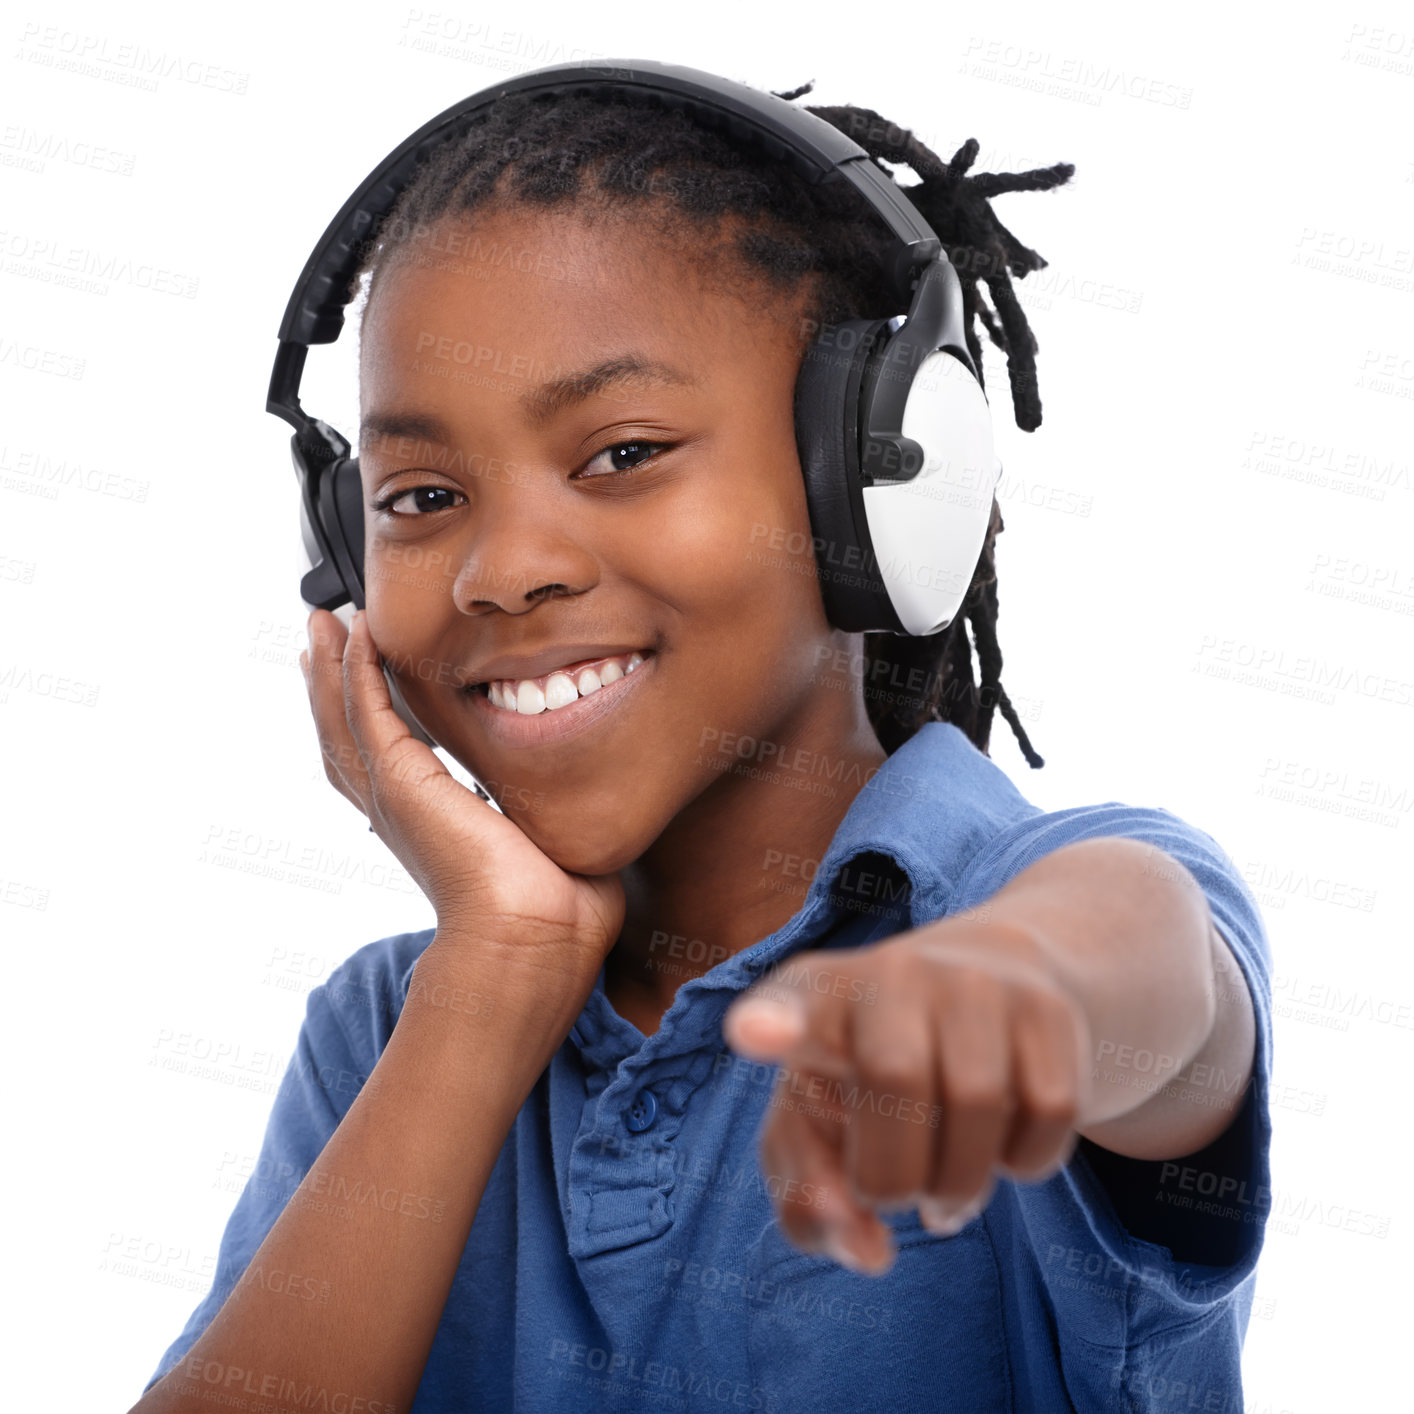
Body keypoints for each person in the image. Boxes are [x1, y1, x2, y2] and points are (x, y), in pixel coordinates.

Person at [133, 73, 1272, 1414]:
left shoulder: (1048, 894)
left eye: (621, 452)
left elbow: (1147, 973)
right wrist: (497, 971)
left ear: (882, 472)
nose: (506, 570)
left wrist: (1010, 982)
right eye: (422, 496)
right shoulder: (385, 1026)